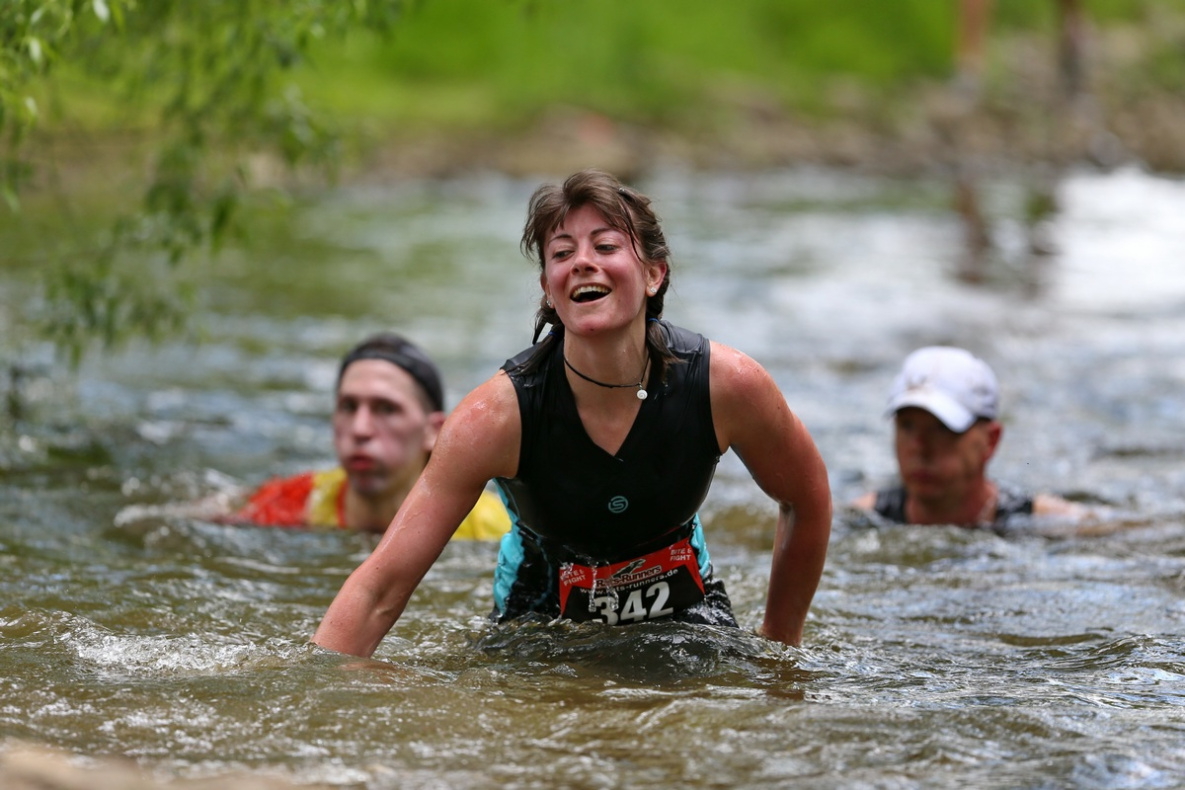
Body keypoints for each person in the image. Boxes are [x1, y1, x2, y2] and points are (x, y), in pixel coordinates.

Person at [312, 169, 832, 657]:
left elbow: (806, 498)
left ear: (653, 274)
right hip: (538, 622)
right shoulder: (496, 416)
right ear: (548, 290)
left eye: (605, 246)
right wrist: (312, 695)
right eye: (562, 253)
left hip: (683, 611)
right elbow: (382, 584)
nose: (583, 262)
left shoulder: (726, 384)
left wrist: (781, 653)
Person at [229, 332, 510, 539]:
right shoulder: (291, 503)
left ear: (434, 432)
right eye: (348, 407)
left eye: (386, 409)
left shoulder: (491, 528)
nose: (360, 429)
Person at [851, 346, 1089, 529]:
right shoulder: (863, 518)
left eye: (942, 428)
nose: (919, 447)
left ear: (990, 441)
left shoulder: (1052, 522)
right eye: (907, 426)